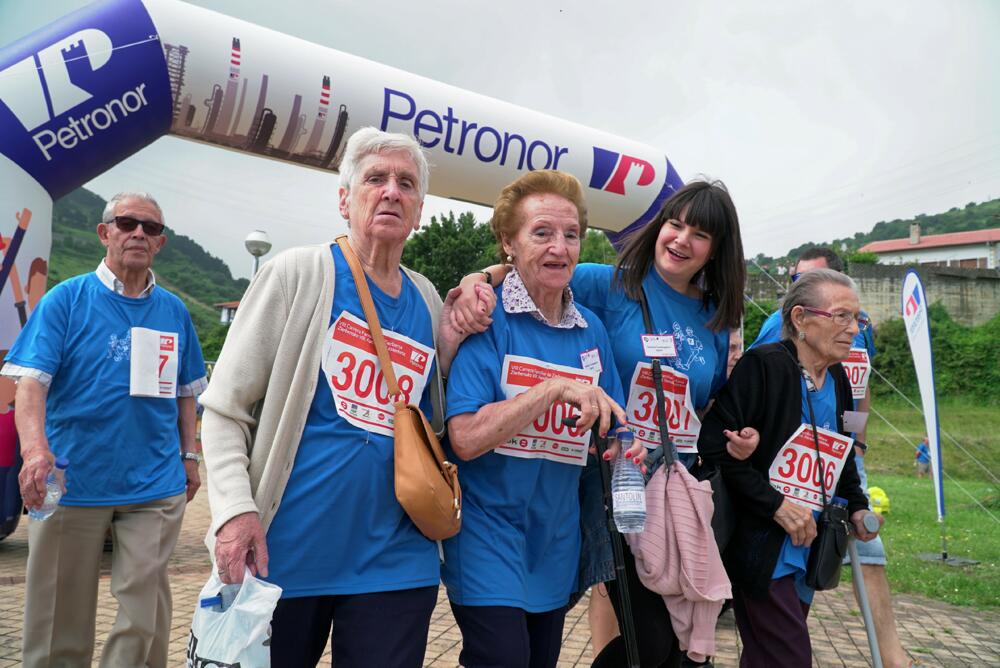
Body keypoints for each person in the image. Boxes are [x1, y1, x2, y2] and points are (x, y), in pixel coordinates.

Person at [198, 127, 491, 667]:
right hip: (286, 555)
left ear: (419, 210)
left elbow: (432, 415)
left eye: (406, 184)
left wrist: (457, 328)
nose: (391, 192)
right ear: (344, 199)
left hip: (397, 559)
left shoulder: (426, 297)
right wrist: (235, 513)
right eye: (375, 179)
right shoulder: (298, 274)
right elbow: (224, 410)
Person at [453, 180, 758, 667]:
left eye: (699, 234)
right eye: (674, 224)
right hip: (600, 499)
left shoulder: (714, 318)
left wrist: (734, 438)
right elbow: (534, 268)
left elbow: (699, 407)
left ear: (717, 249)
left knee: (669, 644)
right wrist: (476, 279)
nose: (680, 239)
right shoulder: (608, 284)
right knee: (644, 639)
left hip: (664, 493)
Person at [1, 192, 207, 668]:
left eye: (150, 228)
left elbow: (185, 392)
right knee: (57, 615)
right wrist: (35, 453)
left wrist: (189, 455)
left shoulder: (174, 311)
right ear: (105, 232)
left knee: (145, 614)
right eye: (127, 222)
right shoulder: (66, 300)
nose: (138, 233)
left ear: (161, 243)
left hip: (154, 484)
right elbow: (30, 384)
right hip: (71, 481)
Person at [443, 169, 638, 668]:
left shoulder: (590, 328)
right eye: (542, 233)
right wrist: (550, 390)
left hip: (555, 539)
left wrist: (625, 447)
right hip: (486, 533)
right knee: (502, 657)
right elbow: (463, 438)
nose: (560, 247)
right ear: (508, 242)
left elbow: (614, 423)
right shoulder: (487, 319)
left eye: (571, 235)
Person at [700, 269, 882, 667]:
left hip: (810, 547)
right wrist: (776, 505)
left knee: (768, 657)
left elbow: (842, 454)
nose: (854, 329)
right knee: (790, 657)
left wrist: (858, 505)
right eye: (841, 316)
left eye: (858, 318)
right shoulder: (763, 366)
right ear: (800, 319)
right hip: (763, 546)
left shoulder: (839, 379)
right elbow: (713, 446)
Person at [749, 248, 913, 668]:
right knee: (785, 643)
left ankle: (893, 656)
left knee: (860, 555)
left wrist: (856, 442)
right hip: (776, 499)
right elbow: (754, 393)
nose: (851, 327)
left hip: (835, 465)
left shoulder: (860, 330)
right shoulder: (776, 330)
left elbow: (860, 387)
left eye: (851, 316)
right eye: (796, 281)